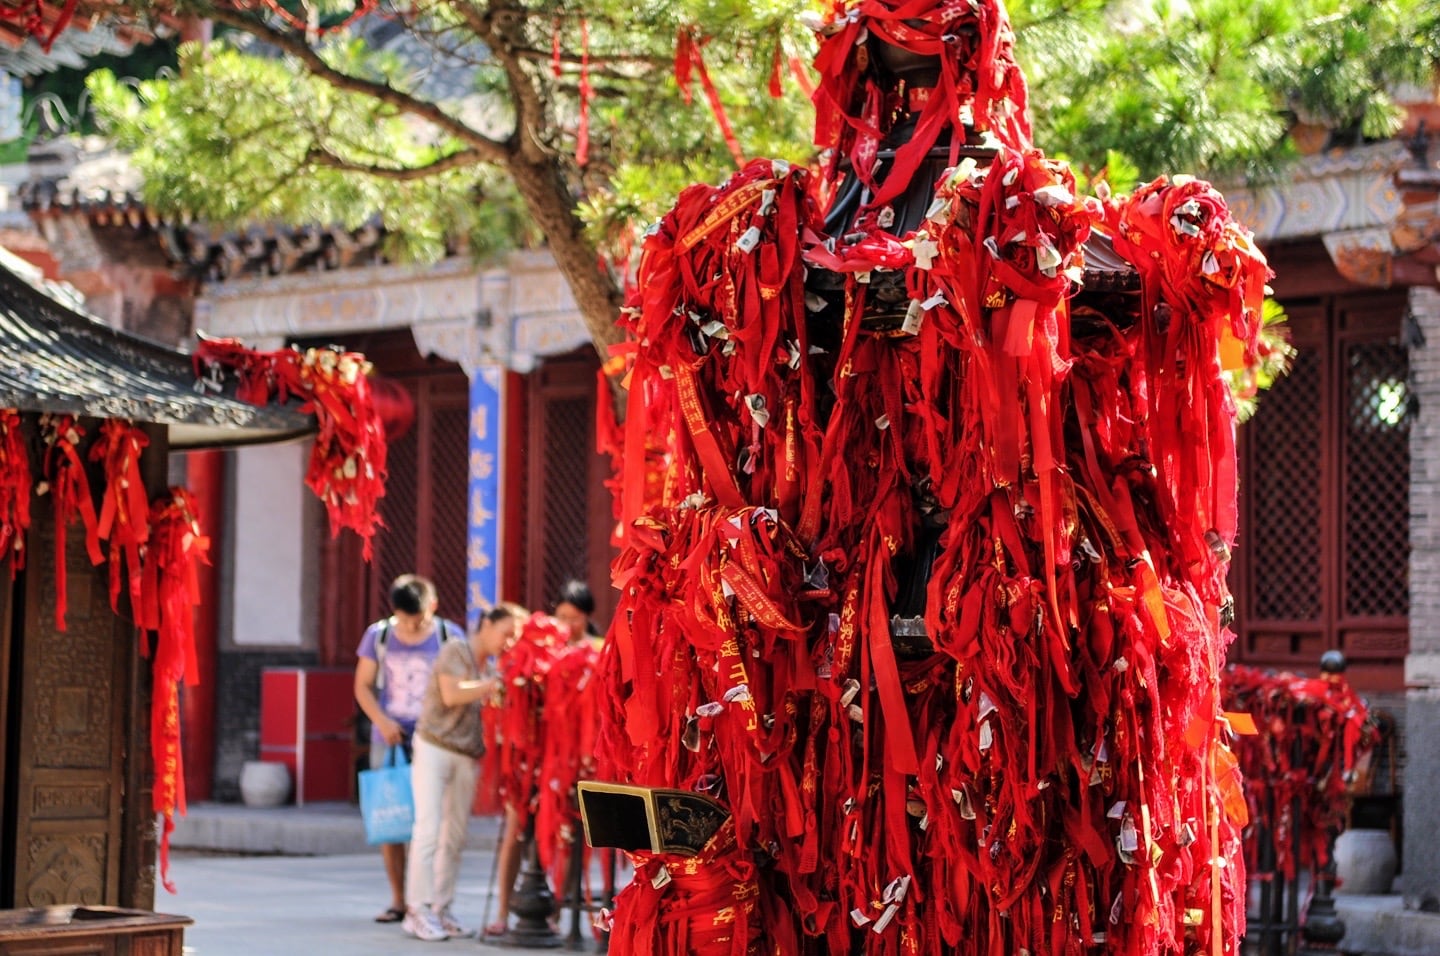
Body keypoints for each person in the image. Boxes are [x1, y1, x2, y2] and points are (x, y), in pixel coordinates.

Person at [402, 601, 526, 942]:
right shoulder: (457, 650)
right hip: (434, 748)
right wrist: (496, 684)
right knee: (427, 829)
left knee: (454, 837)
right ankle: (417, 909)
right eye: (507, 633)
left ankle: (442, 907)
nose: (510, 642)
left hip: (465, 754)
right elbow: (452, 693)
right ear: (487, 625)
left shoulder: (491, 664)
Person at [484, 579, 601, 938]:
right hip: (531, 757)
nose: (566, 623)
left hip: (573, 761)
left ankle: (559, 913)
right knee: (516, 833)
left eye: (574, 617)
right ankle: (505, 910)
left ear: (587, 617)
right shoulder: (540, 648)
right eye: (561, 615)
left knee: (570, 836)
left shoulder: (597, 650)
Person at [353, 573, 463, 925]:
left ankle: (431, 903)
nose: (412, 626)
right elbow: (363, 686)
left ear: (433, 606)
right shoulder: (379, 635)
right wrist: (382, 721)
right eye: (405, 619)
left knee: (433, 823)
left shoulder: (449, 636)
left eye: (419, 620)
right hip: (390, 739)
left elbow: (460, 688)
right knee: (392, 817)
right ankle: (399, 900)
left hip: (436, 740)